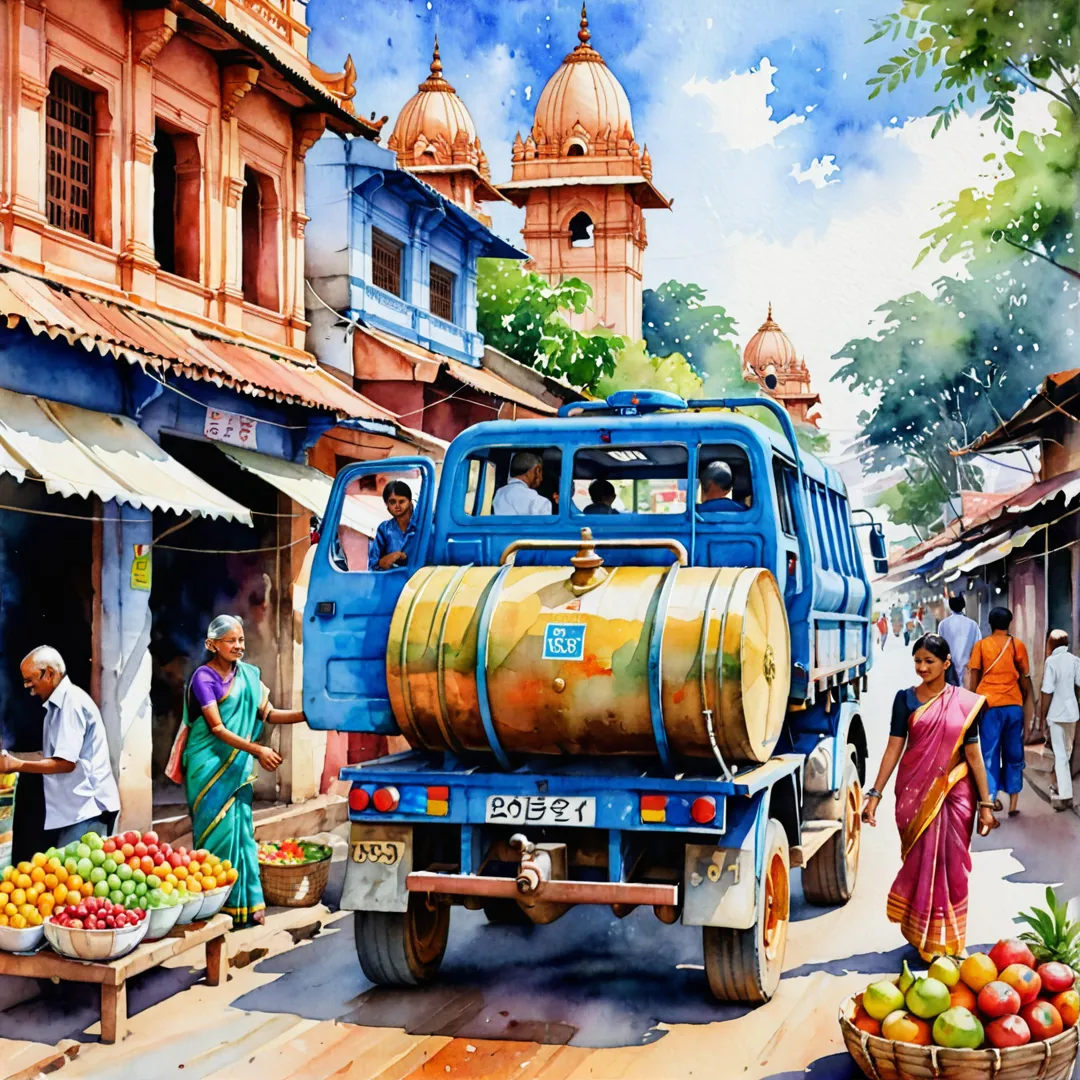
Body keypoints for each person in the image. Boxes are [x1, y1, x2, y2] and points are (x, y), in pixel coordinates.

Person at [165, 616, 308, 927]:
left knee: (242, 833)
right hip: (208, 768)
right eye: (231, 641)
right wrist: (259, 750)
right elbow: (217, 728)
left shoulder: (249, 676)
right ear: (212, 645)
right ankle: (217, 907)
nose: (239, 646)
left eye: (241, 640)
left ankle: (250, 904)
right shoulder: (204, 678)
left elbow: (268, 713)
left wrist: (307, 715)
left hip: (237, 767)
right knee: (216, 836)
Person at [862, 634, 998, 960]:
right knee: (921, 862)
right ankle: (923, 936)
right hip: (914, 793)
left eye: (929, 661)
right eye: (917, 661)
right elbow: (894, 747)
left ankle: (951, 938)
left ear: (946, 663)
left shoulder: (964, 702)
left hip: (956, 794)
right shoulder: (905, 700)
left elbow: (974, 754)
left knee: (953, 866)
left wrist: (986, 804)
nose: (922, 667)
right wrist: (875, 793)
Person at [0, 647, 120, 847]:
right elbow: (48, 755)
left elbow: (65, 763)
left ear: (49, 673)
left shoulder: (70, 703)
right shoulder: (55, 706)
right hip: (76, 810)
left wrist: (16, 765)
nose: (26, 685)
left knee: (77, 873)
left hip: (89, 809)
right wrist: (10, 757)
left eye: (30, 679)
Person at [967, 606, 1031, 817]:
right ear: (1009, 623)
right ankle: (1013, 804)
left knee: (989, 755)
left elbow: (974, 678)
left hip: (989, 706)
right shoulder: (1017, 645)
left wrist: (972, 703)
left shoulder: (981, 646)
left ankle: (991, 800)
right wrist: (1026, 700)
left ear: (990, 623)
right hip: (1014, 706)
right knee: (1013, 753)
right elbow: (1024, 677)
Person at [1038, 629, 1080, 811]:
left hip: (1055, 714)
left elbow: (1047, 691)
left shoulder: (1051, 662)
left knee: (1060, 754)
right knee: (1067, 752)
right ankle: (1063, 788)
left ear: (1051, 644)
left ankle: (1064, 794)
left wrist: (1042, 715)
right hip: (1072, 714)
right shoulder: (1075, 660)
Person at [369, 480, 420, 571]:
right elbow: (373, 565)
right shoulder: (384, 529)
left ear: (410, 502)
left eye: (401, 501)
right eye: (392, 502)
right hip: (391, 580)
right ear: (386, 504)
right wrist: (391, 558)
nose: (397, 506)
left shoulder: (422, 525)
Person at [937, 595, 980, 688]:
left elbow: (940, 646)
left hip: (949, 667)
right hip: (967, 668)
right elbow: (978, 646)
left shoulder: (943, 624)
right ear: (963, 606)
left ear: (950, 606)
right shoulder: (973, 624)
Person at [491, 452, 553, 516]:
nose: (541, 479)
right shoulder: (540, 502)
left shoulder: (499, 494)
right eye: (541, 473)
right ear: (537, 470)